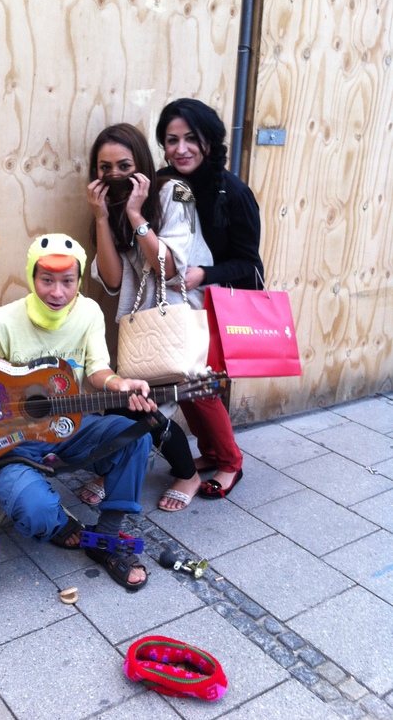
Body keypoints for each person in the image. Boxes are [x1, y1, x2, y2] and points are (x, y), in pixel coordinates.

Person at [0, 233, 156, 590]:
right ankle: (62, 526)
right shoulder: (0, 323)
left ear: (78, 280)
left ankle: (107, 537)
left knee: (134, 437)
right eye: (47, 280)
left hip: (71, 426)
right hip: (13, 444)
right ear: (31, 277)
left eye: (68, 281)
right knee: (35, 511)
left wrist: (118, 384)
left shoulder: (88, 313)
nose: (57, 292)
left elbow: (97, 368)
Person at [82, 123, 216, 512]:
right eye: (104, 167)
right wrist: (103, 218)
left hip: (173, 315)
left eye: (124, 165)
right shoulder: (108, 205)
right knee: (128, 402)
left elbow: (169, 269)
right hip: (137, 323)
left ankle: (187, 474)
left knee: (151, 406)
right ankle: (122, 468)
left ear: (142, 162)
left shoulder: (175, 193)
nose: (114, 175)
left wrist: (137, 214)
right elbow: (110, 279)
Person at [155, 97, 265, 497]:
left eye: (191, 138)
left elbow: (250, 265)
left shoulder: (233, 192)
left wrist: (205, 273)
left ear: (209, 141)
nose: (180, 149)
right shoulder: (171, 184)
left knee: (197, 387)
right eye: (171, 139)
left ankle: (231, 463)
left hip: (218, 304)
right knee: (184, 387)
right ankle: (213, 451)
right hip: (185, 302)